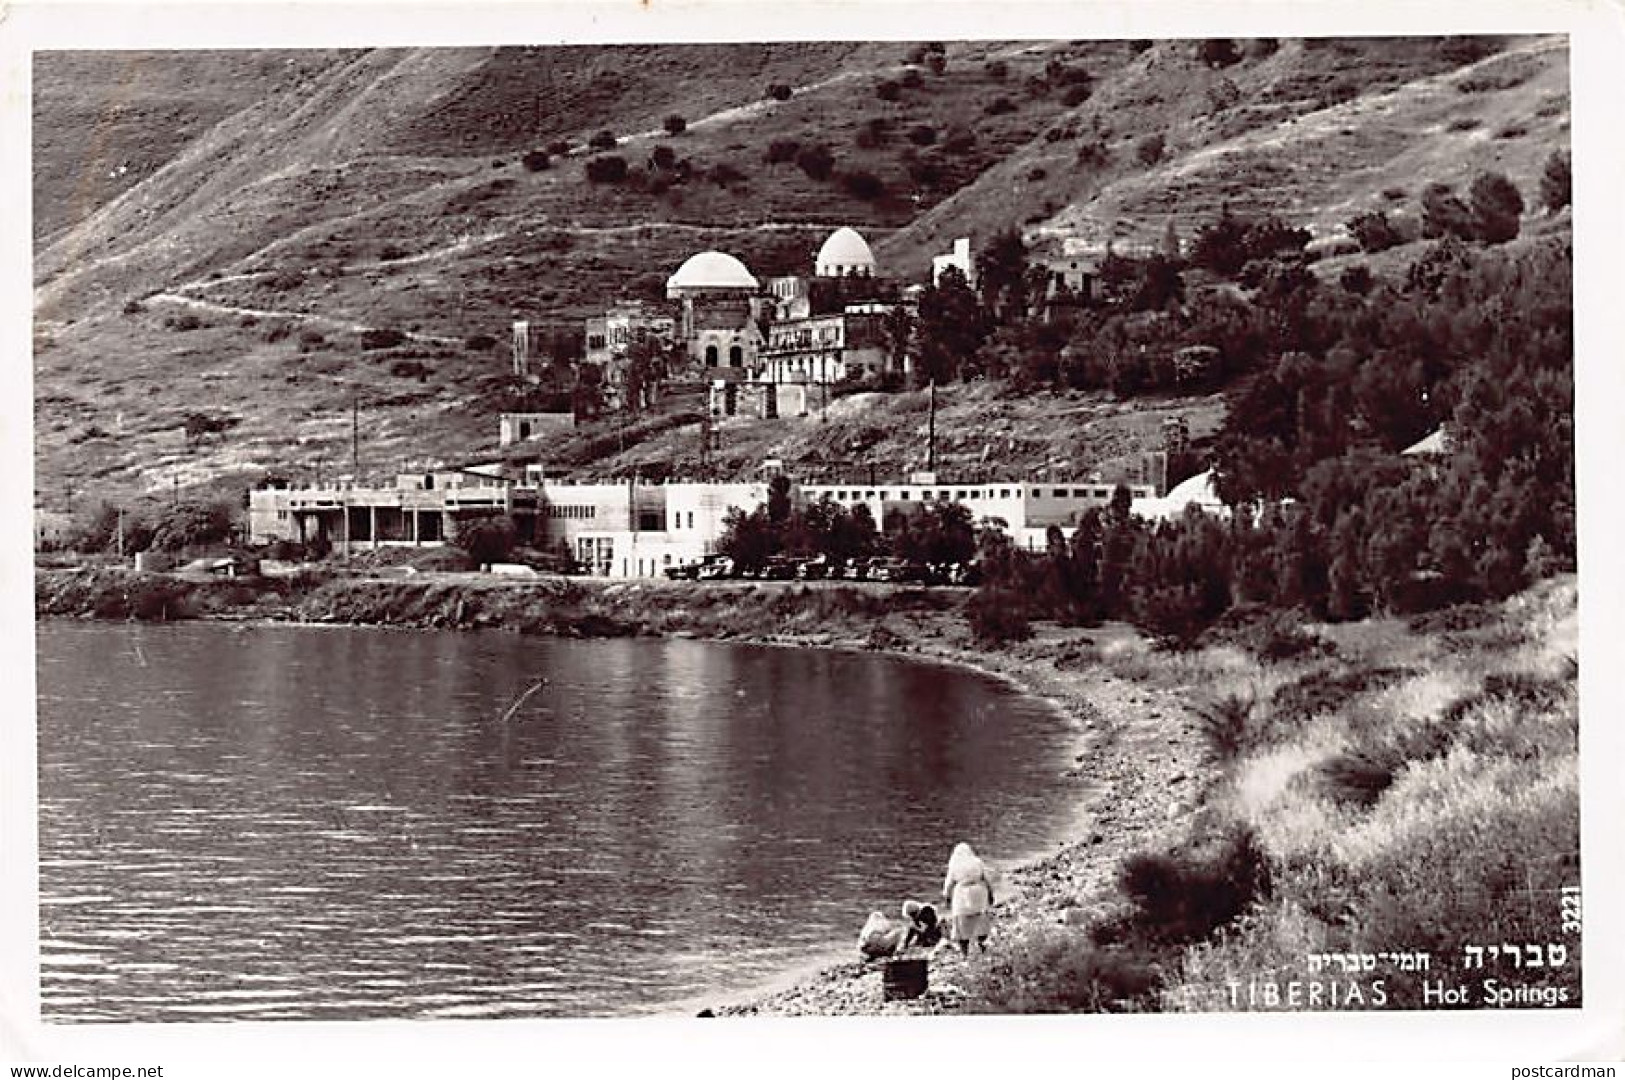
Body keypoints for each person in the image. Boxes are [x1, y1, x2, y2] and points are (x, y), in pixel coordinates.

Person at [942, 842, 996, 955]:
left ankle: (964, 952)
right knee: (980, 920)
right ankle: (982, 945)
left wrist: (946, 897)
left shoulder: (954, 865)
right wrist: (991, 894)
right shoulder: (977, 862)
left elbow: (948, 884)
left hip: (962, 893)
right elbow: (987, 879)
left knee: (961, 923)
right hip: (979, 892)